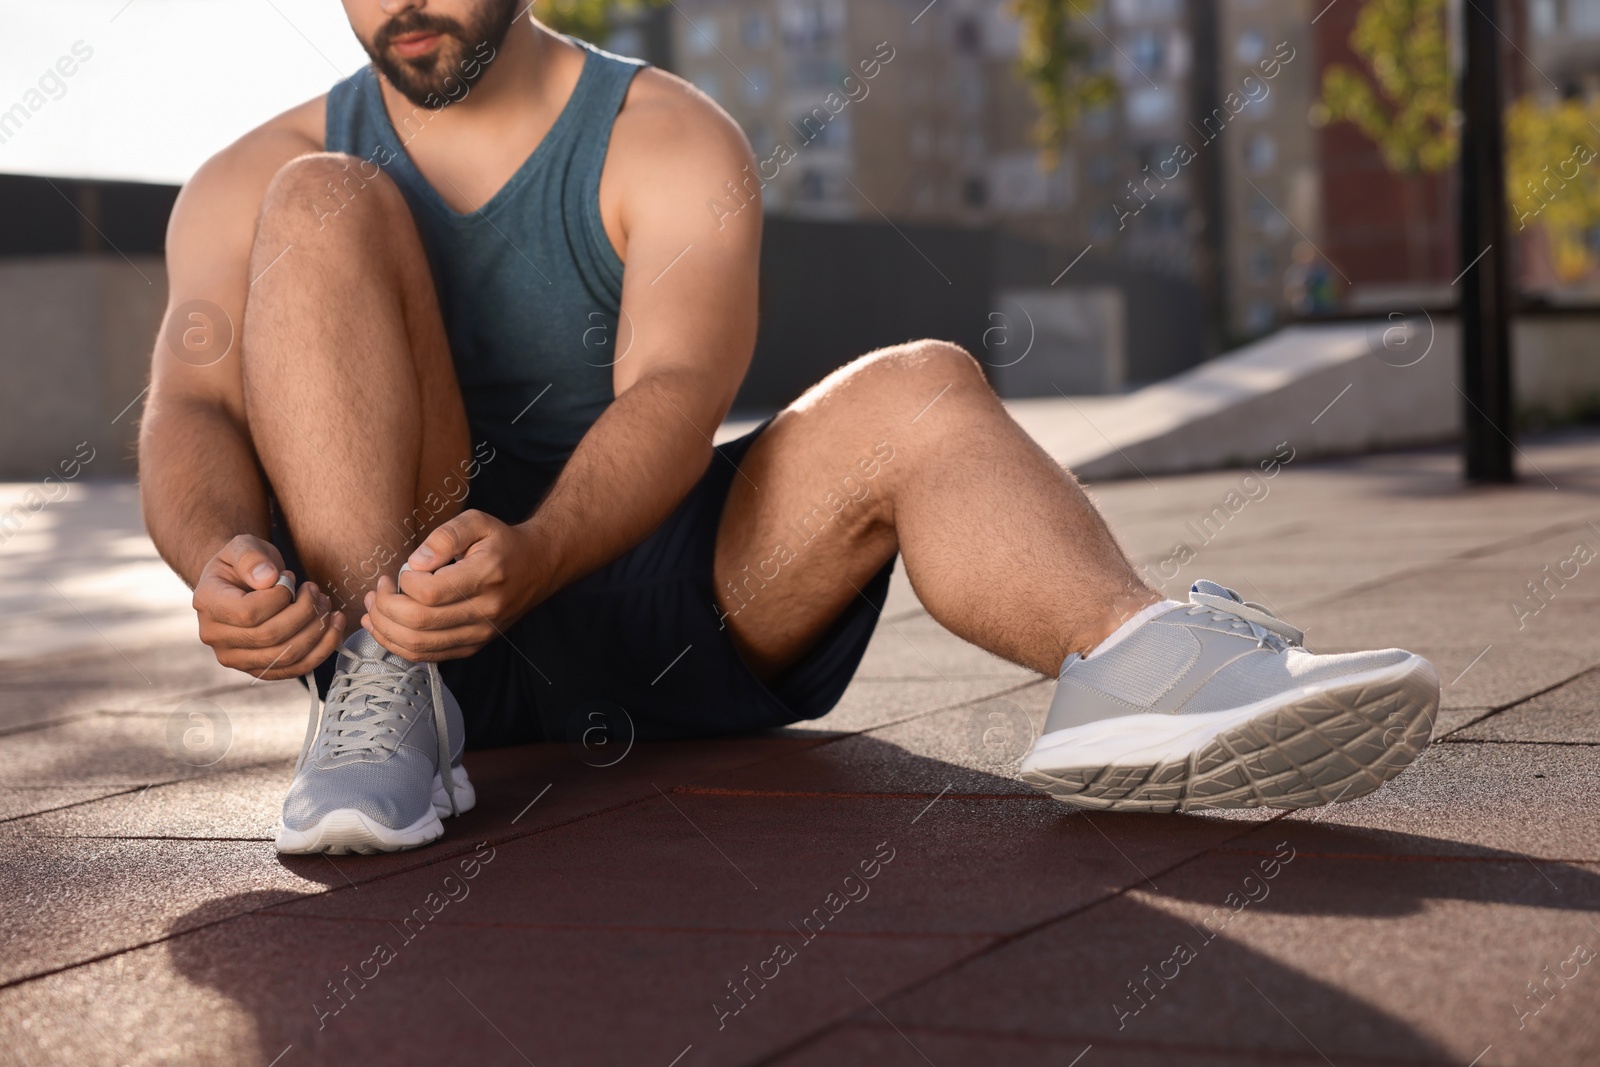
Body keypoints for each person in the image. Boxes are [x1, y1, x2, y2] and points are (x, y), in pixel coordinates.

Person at [140, 0, 1439, 854]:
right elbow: (190, 414)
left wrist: (533, 552)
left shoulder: (667, 140)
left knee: (924, 382)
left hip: (653, 589)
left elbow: (673, 395)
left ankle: (1135, 664)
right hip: (403, 631)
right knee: (315, 204)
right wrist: (219, 558)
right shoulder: (249, 177)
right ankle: (383, 713)